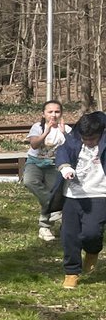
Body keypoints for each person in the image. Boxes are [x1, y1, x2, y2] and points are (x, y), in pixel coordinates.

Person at [53, 112, 106, 289]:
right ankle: (71, 272)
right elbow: (62, 153)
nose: (88, 142)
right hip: (73, 195)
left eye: (93, 139)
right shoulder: (73, 140)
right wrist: (65, 167)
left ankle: (92, 250)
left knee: (92, 233)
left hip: (99, 194)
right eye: (85, 138)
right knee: (69, 235)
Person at [23, 101, 70, 242]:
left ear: (61, 113)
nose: (53, 115)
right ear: (43, 114)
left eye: (57, 112)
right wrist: (46, 132)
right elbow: (34, 145)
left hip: (53, 165)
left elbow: (73, 148)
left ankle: (45, 227)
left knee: (52, 192)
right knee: (29, 181)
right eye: (50, 112)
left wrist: (64, 134)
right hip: (35, 162)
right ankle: (55, 209)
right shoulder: (37, 127)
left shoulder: (66, 129)